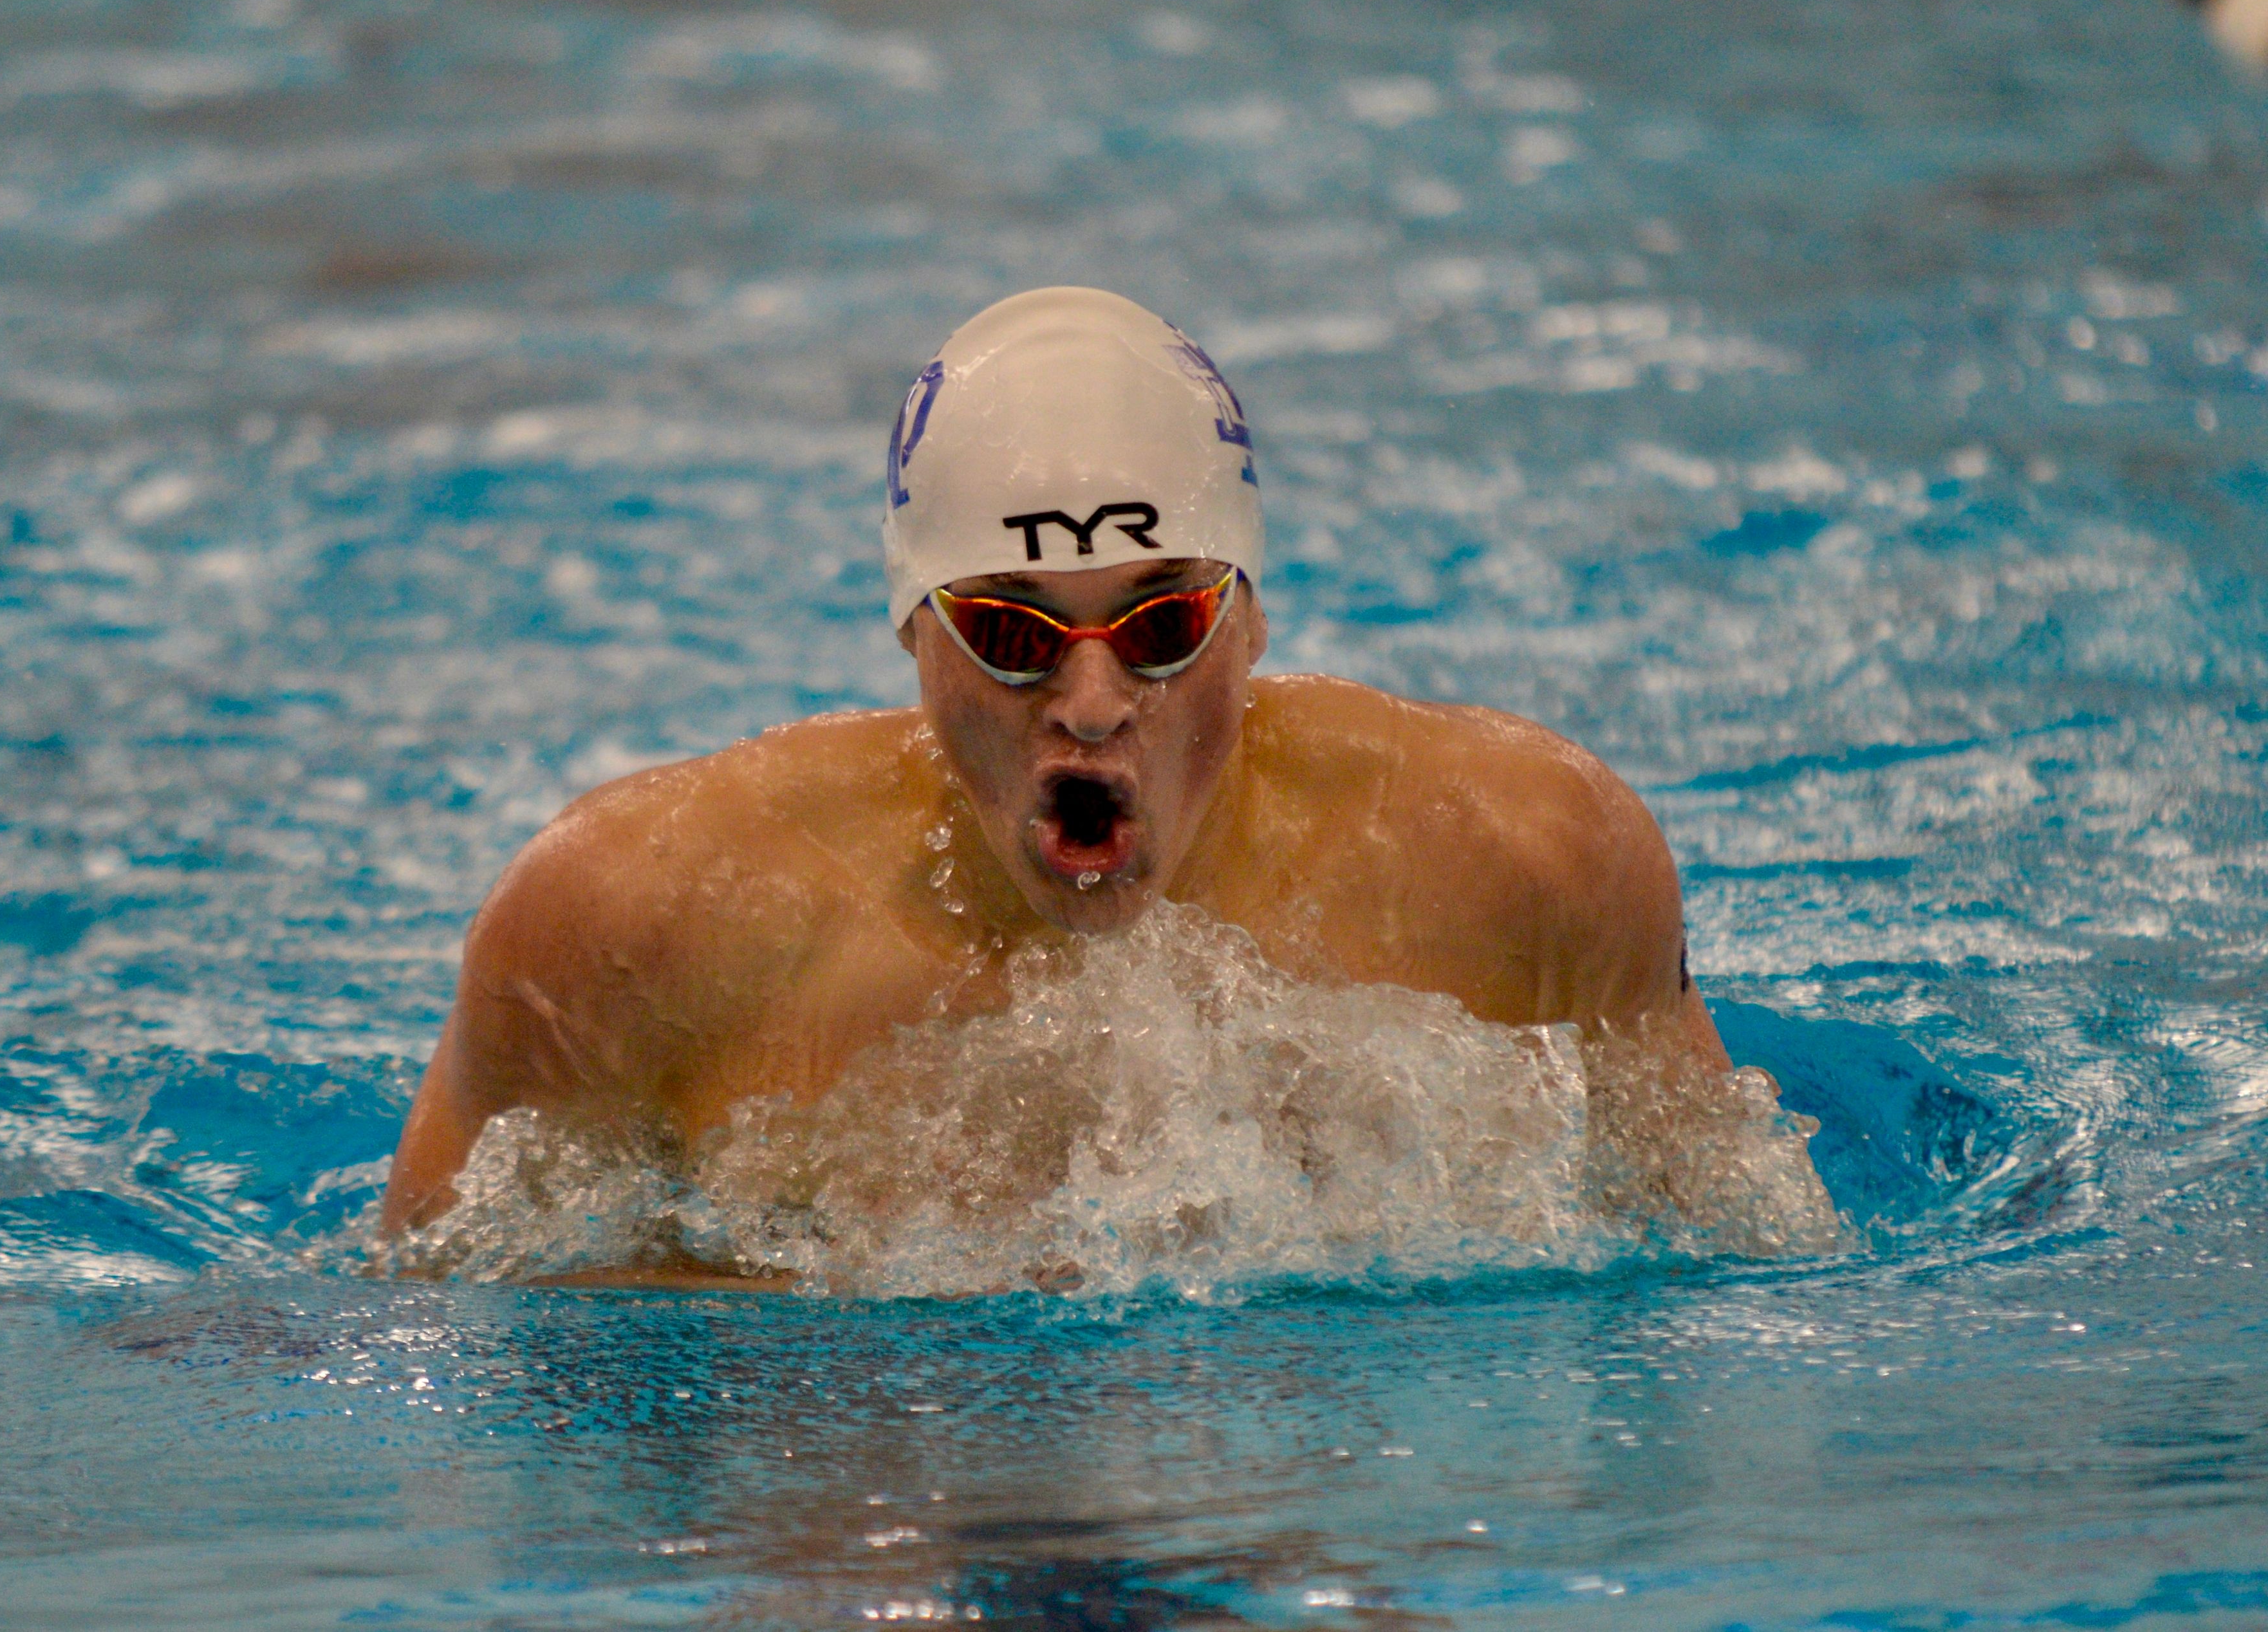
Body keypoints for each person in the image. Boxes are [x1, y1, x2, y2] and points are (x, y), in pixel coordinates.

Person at [379, 286, 1833, 1280]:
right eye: (1012, 633)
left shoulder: (1530, 859)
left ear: (1252, 616)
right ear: (912, 633)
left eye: (1162, 625)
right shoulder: (632, 923)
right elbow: (454, 1344)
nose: (1090, 704)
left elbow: (1731, 1276)